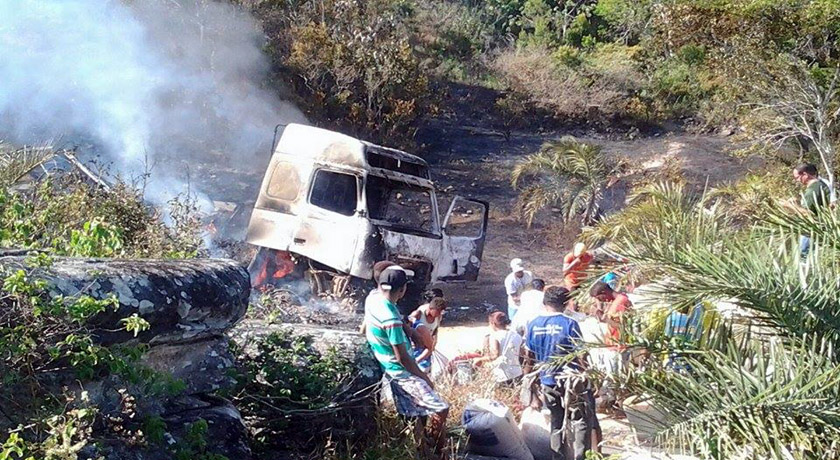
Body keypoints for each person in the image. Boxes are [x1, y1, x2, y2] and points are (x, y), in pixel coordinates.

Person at [365, 268, 449, 458]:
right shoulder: (391, 320)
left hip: (392, 366)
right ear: (403, 290)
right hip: (401, 371)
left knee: (415, 416)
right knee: (441, 409)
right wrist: (424, 377)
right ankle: (439, 450)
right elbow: (402, 357)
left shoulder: (374, 298)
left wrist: (410, 331)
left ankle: (423, 450)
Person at [524, 286, 599, 460]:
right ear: (565, 303)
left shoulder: (534, 324)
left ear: (545, 302)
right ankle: (580, 456)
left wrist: (531, 386)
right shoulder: (569, 323)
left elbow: (529, 357)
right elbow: (581, 354)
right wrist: (590, 377)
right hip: (572, 382)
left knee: (556, 421)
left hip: (547, 381)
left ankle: (557, 456)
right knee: (580, 420)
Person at [473, 311, 524, 386]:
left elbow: (495, 355)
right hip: (517, 373)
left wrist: (479, 360)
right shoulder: (516, 335)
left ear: (493, 323)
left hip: (502, 374)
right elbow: (521, 354)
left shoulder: (495, 336)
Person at [790, 163, 831, 257]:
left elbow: (808, 213)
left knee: (804, 257)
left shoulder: (812, 191)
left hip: (810, 231)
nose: (797, 181)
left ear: (805, 174)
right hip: (822, 229)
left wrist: (791, 206)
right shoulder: (822, 185)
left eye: (797, 177)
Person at [409, 298, 448, 374]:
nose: (439, 314)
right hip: (415, 347)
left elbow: (435, 330)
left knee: (425, 370)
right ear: (430, 309)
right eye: (438, 312)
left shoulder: (438, 317)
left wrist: (434, 341)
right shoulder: (418, 314)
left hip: (427, 347)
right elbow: (407, 327)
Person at [589, 281, 632, 347]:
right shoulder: (613, 302)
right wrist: (599, 309)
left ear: (604, 292)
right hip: (614, 345)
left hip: (621, 346)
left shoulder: (621, 301)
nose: (600, 301)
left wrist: (606, 320)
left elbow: (624, 326)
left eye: (598, 298)